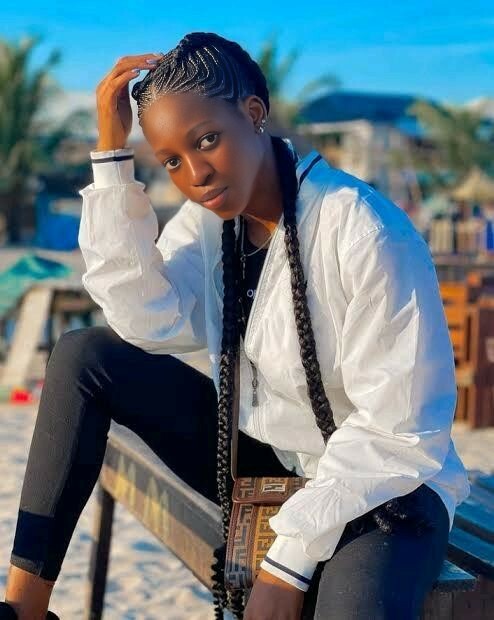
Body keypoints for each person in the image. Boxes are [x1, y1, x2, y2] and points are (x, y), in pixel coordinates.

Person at [1, 32, 471, 620]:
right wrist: (112, 157)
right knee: (83, 356)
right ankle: (24, 609)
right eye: (172, 160)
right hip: (272, 459)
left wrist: (285, 563)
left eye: (208, 140)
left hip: (384, 483)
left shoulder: (363, 230)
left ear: (253, 114)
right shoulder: (207, 224)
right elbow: (146, 318)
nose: (195, 173)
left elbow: (399, 431)